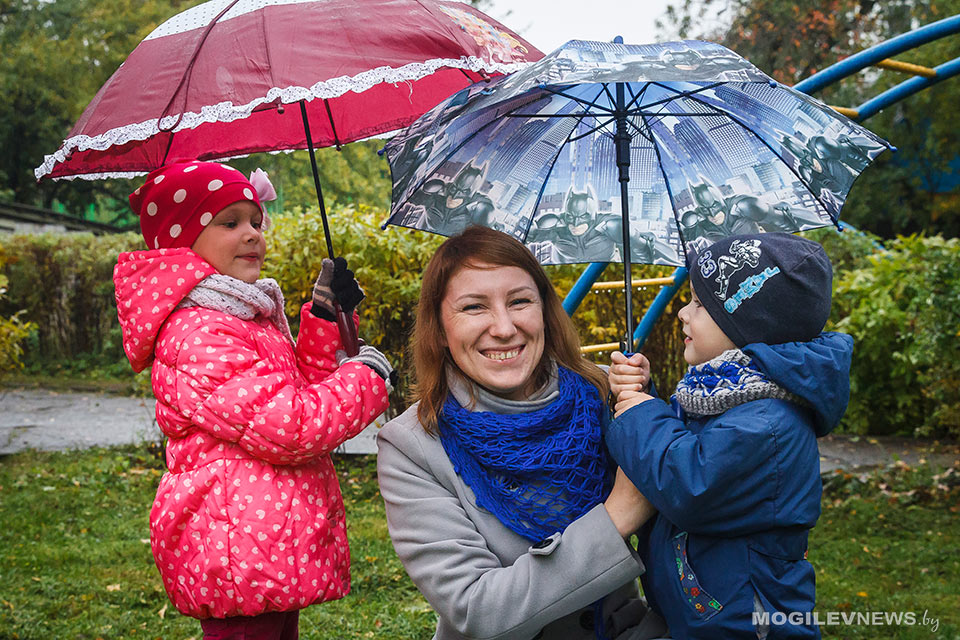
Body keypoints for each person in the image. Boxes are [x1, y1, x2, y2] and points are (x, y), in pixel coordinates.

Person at [113, 160, 395, 640]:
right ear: (183, 242)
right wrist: (365, 379)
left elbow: (296, 391)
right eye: (230, 222)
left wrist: (325, 314)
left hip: (261, 543)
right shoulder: (198, 332)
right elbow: (290, 427)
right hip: (235, 548)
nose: (252, 234)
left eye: (255, 221)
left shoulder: (242, 314)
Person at [376, 226, 669, 640]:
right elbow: (476, 609)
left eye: (520, 302)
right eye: (474, 307)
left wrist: (647, 413)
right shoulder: (413, 446)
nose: (504, 327)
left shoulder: (606, 395)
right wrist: (617, 516)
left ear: (545, 312)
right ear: (440, 329)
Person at [606, 232, 852, 639]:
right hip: (704, 617)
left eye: (701, 305)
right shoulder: (728, 392)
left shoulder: (768, 424)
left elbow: (688, 483)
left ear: (751, 326)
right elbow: (681, 443)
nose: (684, 314)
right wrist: (641, 395)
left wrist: (640, 413)